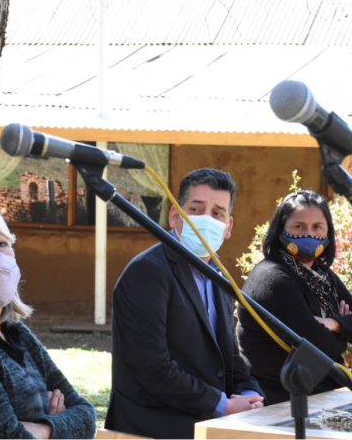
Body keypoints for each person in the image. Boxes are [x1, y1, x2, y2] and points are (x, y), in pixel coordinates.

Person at [105, 168, 264, 439]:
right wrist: (222, 405)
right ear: (175, 216)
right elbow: (152, 367)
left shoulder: (220, 278)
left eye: (217, 213)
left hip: (206, 424)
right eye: (196, 208)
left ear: (228, 227)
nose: (206, 219)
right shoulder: (147, 272)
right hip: (153, 427)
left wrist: (250, 395)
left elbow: (229, 355)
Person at [0, 199, 97, 439]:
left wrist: (45, 428)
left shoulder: (18, 334)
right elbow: (11, 436)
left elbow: (87, 415)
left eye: (1, 243)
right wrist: (59, 424)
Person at [236, 190, 352, 405]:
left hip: (321, 396)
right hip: (281, 405)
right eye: (298, 226)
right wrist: (346, 332)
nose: (309, 234)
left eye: (318, 227)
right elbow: (319, 346)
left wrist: (334, 325)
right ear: (281, 230)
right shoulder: (272, 278)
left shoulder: (322, 275)